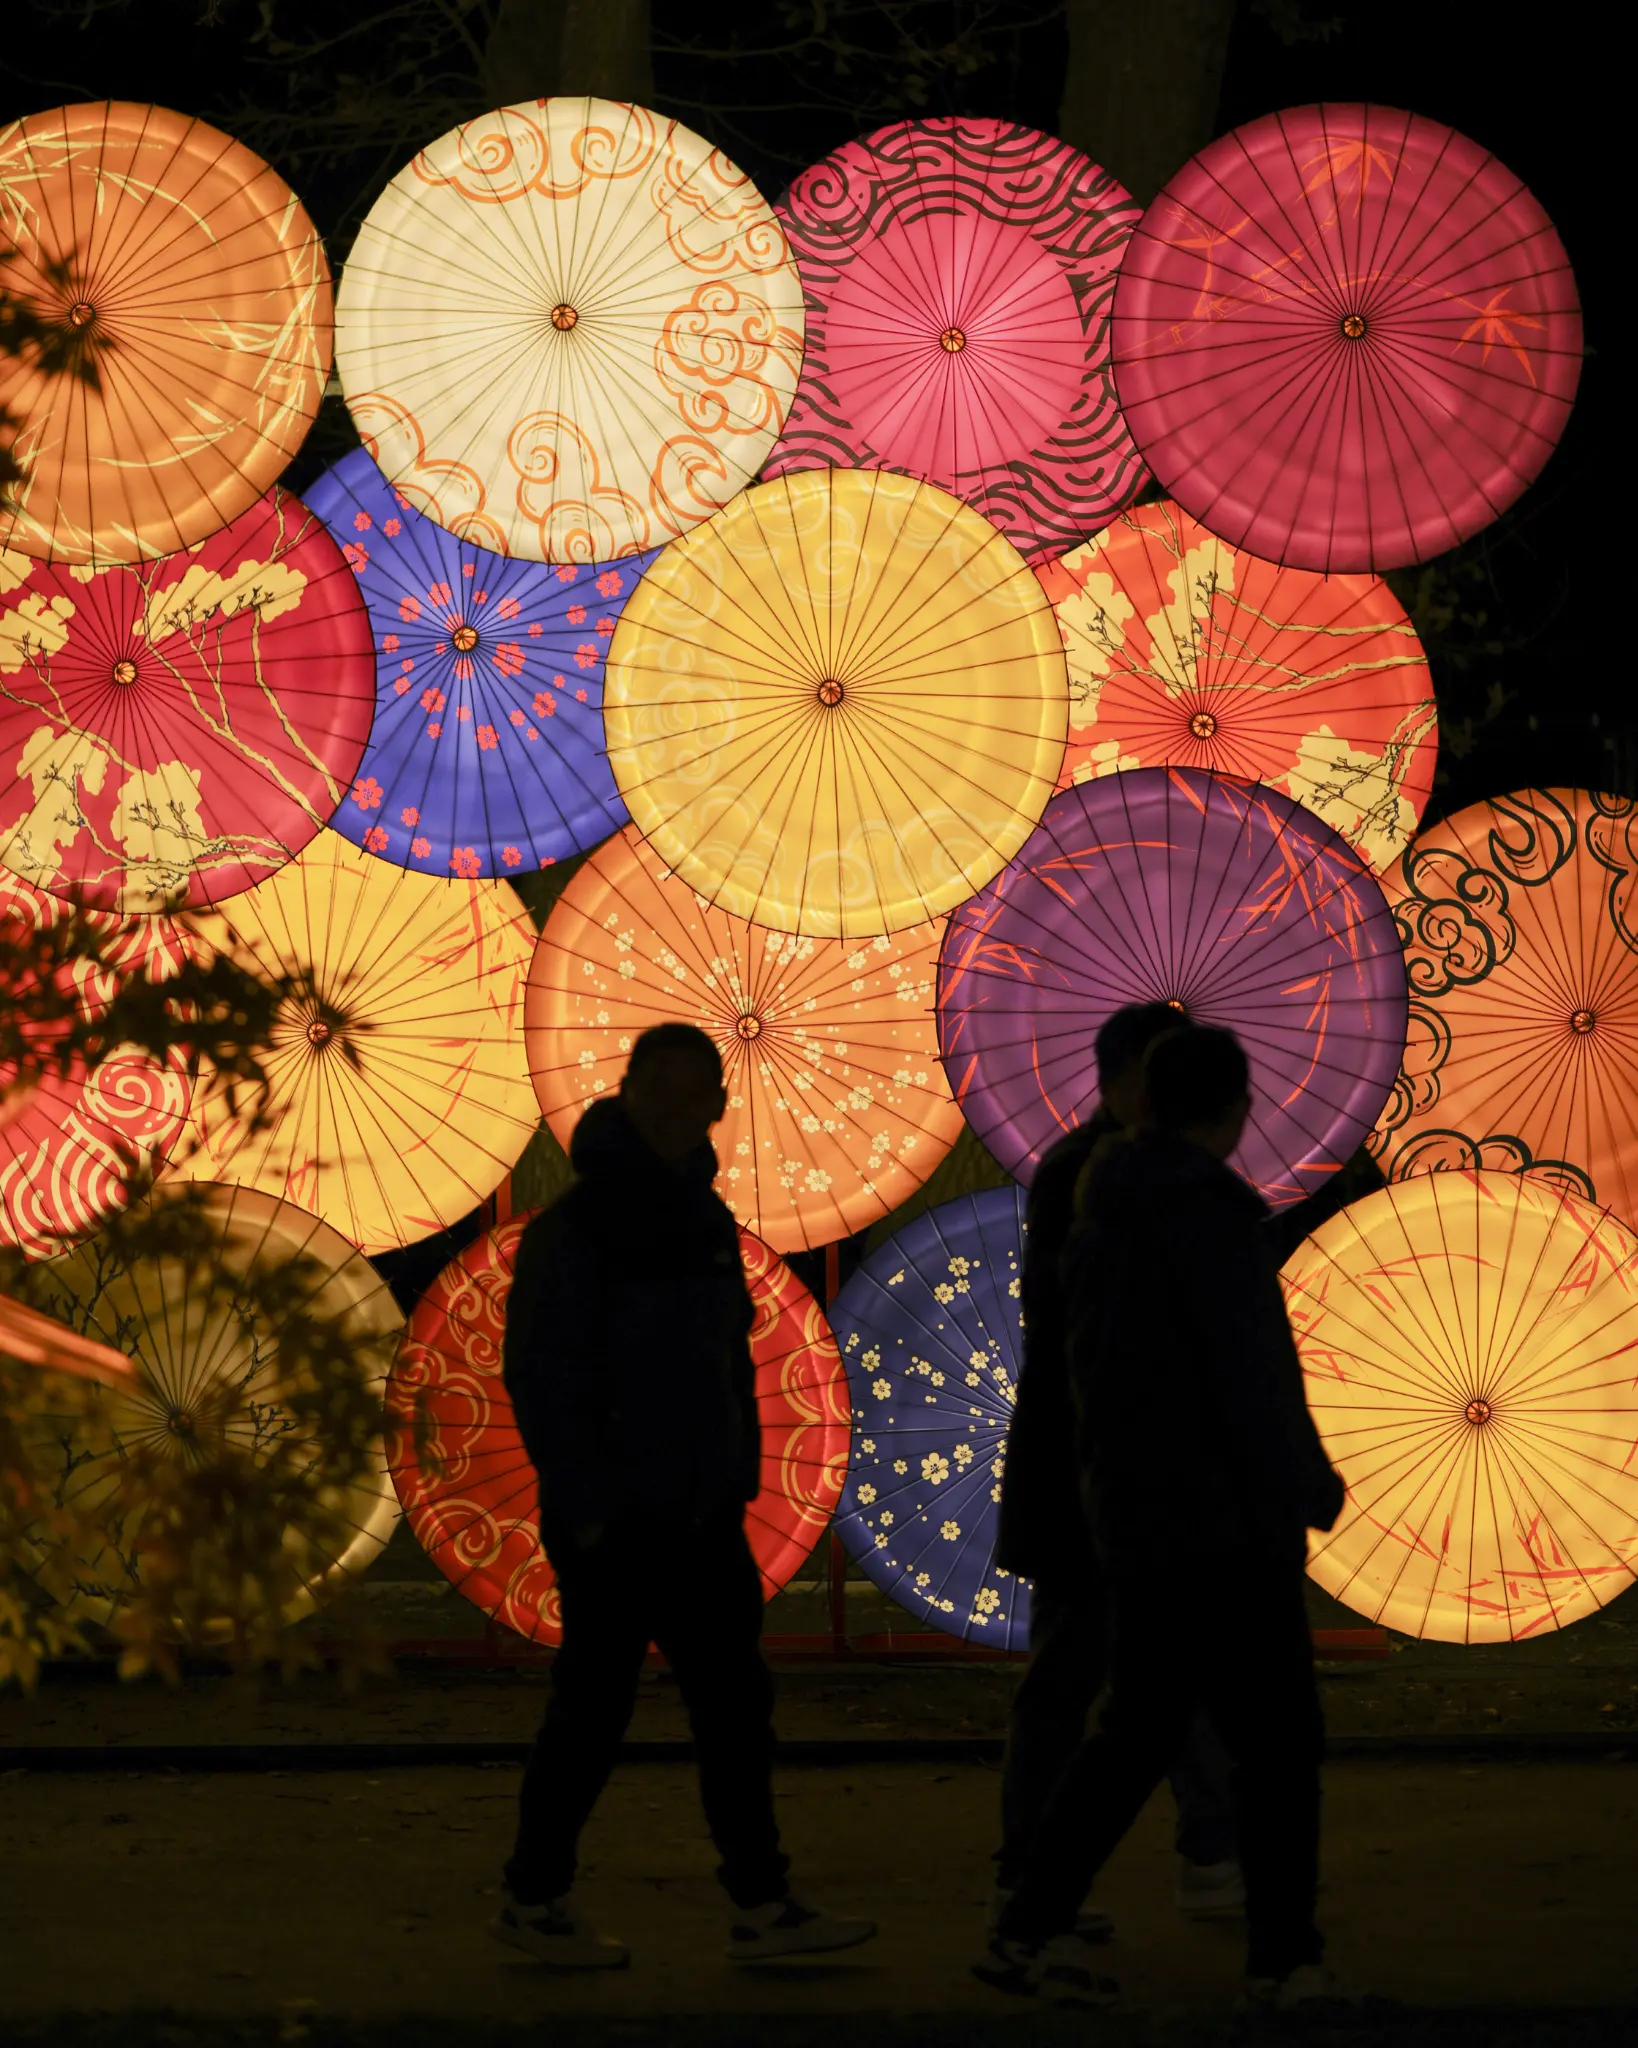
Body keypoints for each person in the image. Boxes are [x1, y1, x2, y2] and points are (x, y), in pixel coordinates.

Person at [980, 1026, 1349, 2009]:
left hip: (1141, 1512)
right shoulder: (1210, 1217)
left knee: (1135, 1726)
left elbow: (1097, 1365)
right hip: (1228, 1518)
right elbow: (1249, 1372)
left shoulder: (1103, 1199)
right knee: (1275, 1740)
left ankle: (1028, 1920)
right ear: (1235, 1110)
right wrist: (1304, 1480)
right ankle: (1285, 1951)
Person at [497, 1022, 876, 1969]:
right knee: (593, 1710)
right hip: (619, 1518)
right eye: (657, 1085)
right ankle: (534, 1899)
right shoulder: (578, 1231)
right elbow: (544, 1379)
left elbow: (718, 1365)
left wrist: (733, 1482)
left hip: (702, 1512)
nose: (677, 1103)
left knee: (735, 1710)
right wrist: (586, 1508)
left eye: (695, 1088)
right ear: (628, 1094)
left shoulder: (703, 1221)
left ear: (717, 1104)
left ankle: (761, 1900)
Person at [994, 1003, 1242, 1932]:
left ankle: (1200, 1849)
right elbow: (1090, 1341)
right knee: (1082, 1682)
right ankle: (1035, 1873)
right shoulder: (1092, 1178)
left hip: (1113, 1472)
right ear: (1130, 1076)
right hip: (1089, 1474)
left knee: (1154, 1675)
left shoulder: (1143, 1176)